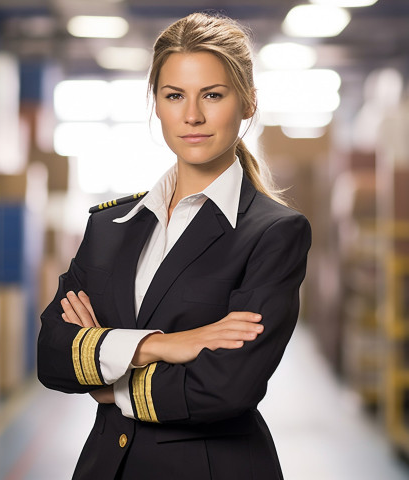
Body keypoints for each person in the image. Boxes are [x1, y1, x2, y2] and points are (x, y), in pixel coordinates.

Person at [37, 11, 311, 480]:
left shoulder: (273, 234)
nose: (192, 116)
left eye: (213, 95)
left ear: (247, 103)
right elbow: (51, 354)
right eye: (174, 96)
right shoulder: (111, 227)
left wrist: (109, 382)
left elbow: (228, 387)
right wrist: (166, 346)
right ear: (157, 104)